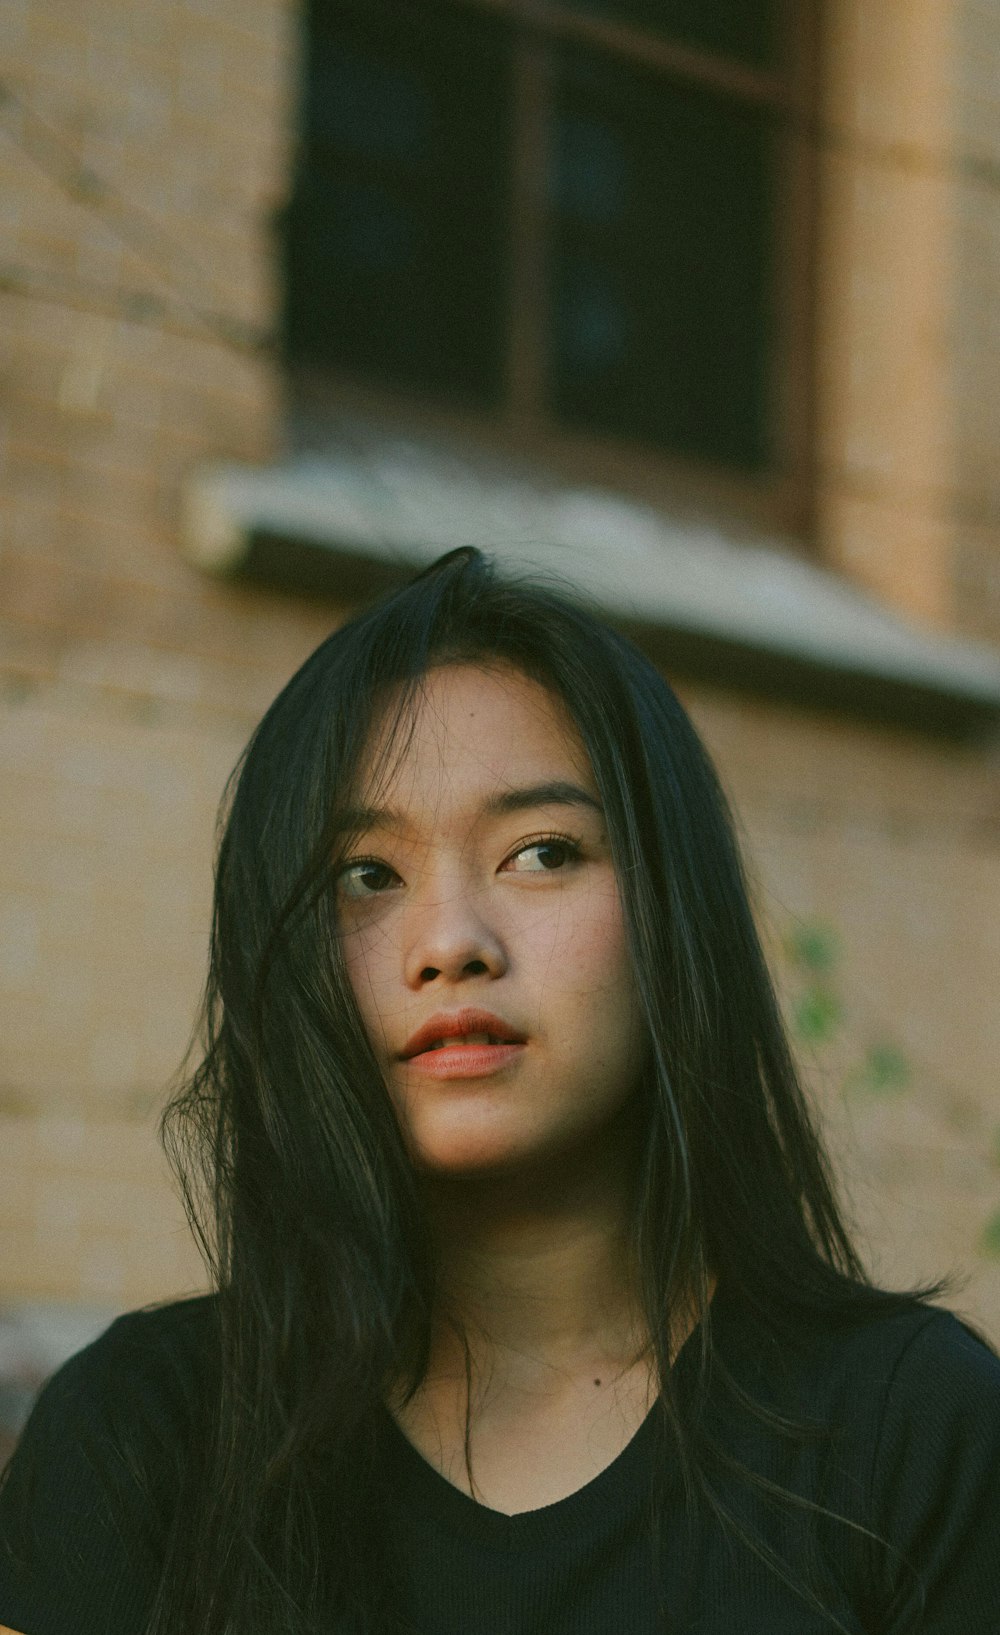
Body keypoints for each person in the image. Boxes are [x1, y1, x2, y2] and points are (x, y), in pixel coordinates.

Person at [1, 546, 999, 1635]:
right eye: (364, 877)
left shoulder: (910, 1432)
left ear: (673, 909)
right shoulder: (142, 1438)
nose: (450, 945)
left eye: (540, 852)